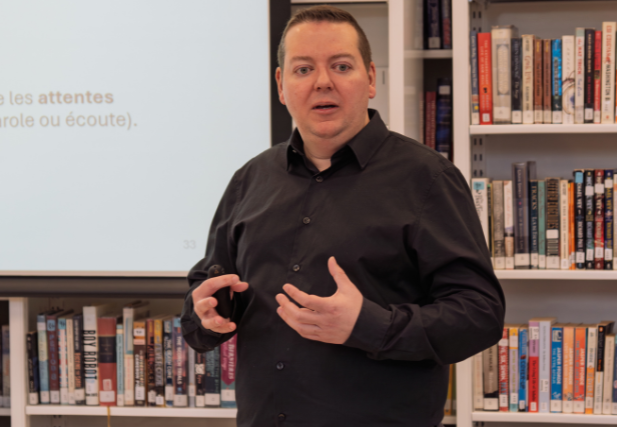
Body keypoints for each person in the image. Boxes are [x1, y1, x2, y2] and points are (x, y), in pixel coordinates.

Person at [181, 5, 505, 426]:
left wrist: (369, 325)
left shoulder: (428, 178)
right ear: (281, 85)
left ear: (370, 78)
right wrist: (205, 314)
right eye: (302, 69)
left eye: (341, 65)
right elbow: (205, 289)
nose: (322, 82)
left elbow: (479, 315)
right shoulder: (250, 179)